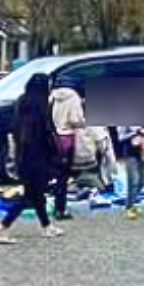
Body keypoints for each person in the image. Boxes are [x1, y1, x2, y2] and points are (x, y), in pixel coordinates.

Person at [0, 73, 64, 243]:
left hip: (23, 156)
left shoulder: (21, 103)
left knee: (36, 194)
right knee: (30, 196)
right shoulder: (40, 108)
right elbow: (45, 136)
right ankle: (3, 227)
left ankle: (47, 226)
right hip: (38, 158)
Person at [49, 80, 85, 220]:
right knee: (63, 177)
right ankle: (61, 209)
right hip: (67, 138)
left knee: (55, 174)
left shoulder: (52, 96)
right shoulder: (74, 97)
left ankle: (52, 205)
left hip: (53, 138)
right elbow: (76, 119)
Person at [119, 125, 144, 220]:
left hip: (141, 152)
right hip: (130, 152)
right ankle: (129, 207)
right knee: (133, 181)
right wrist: (134, 136)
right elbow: (121, 137)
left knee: (142, 181)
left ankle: (132, 204)